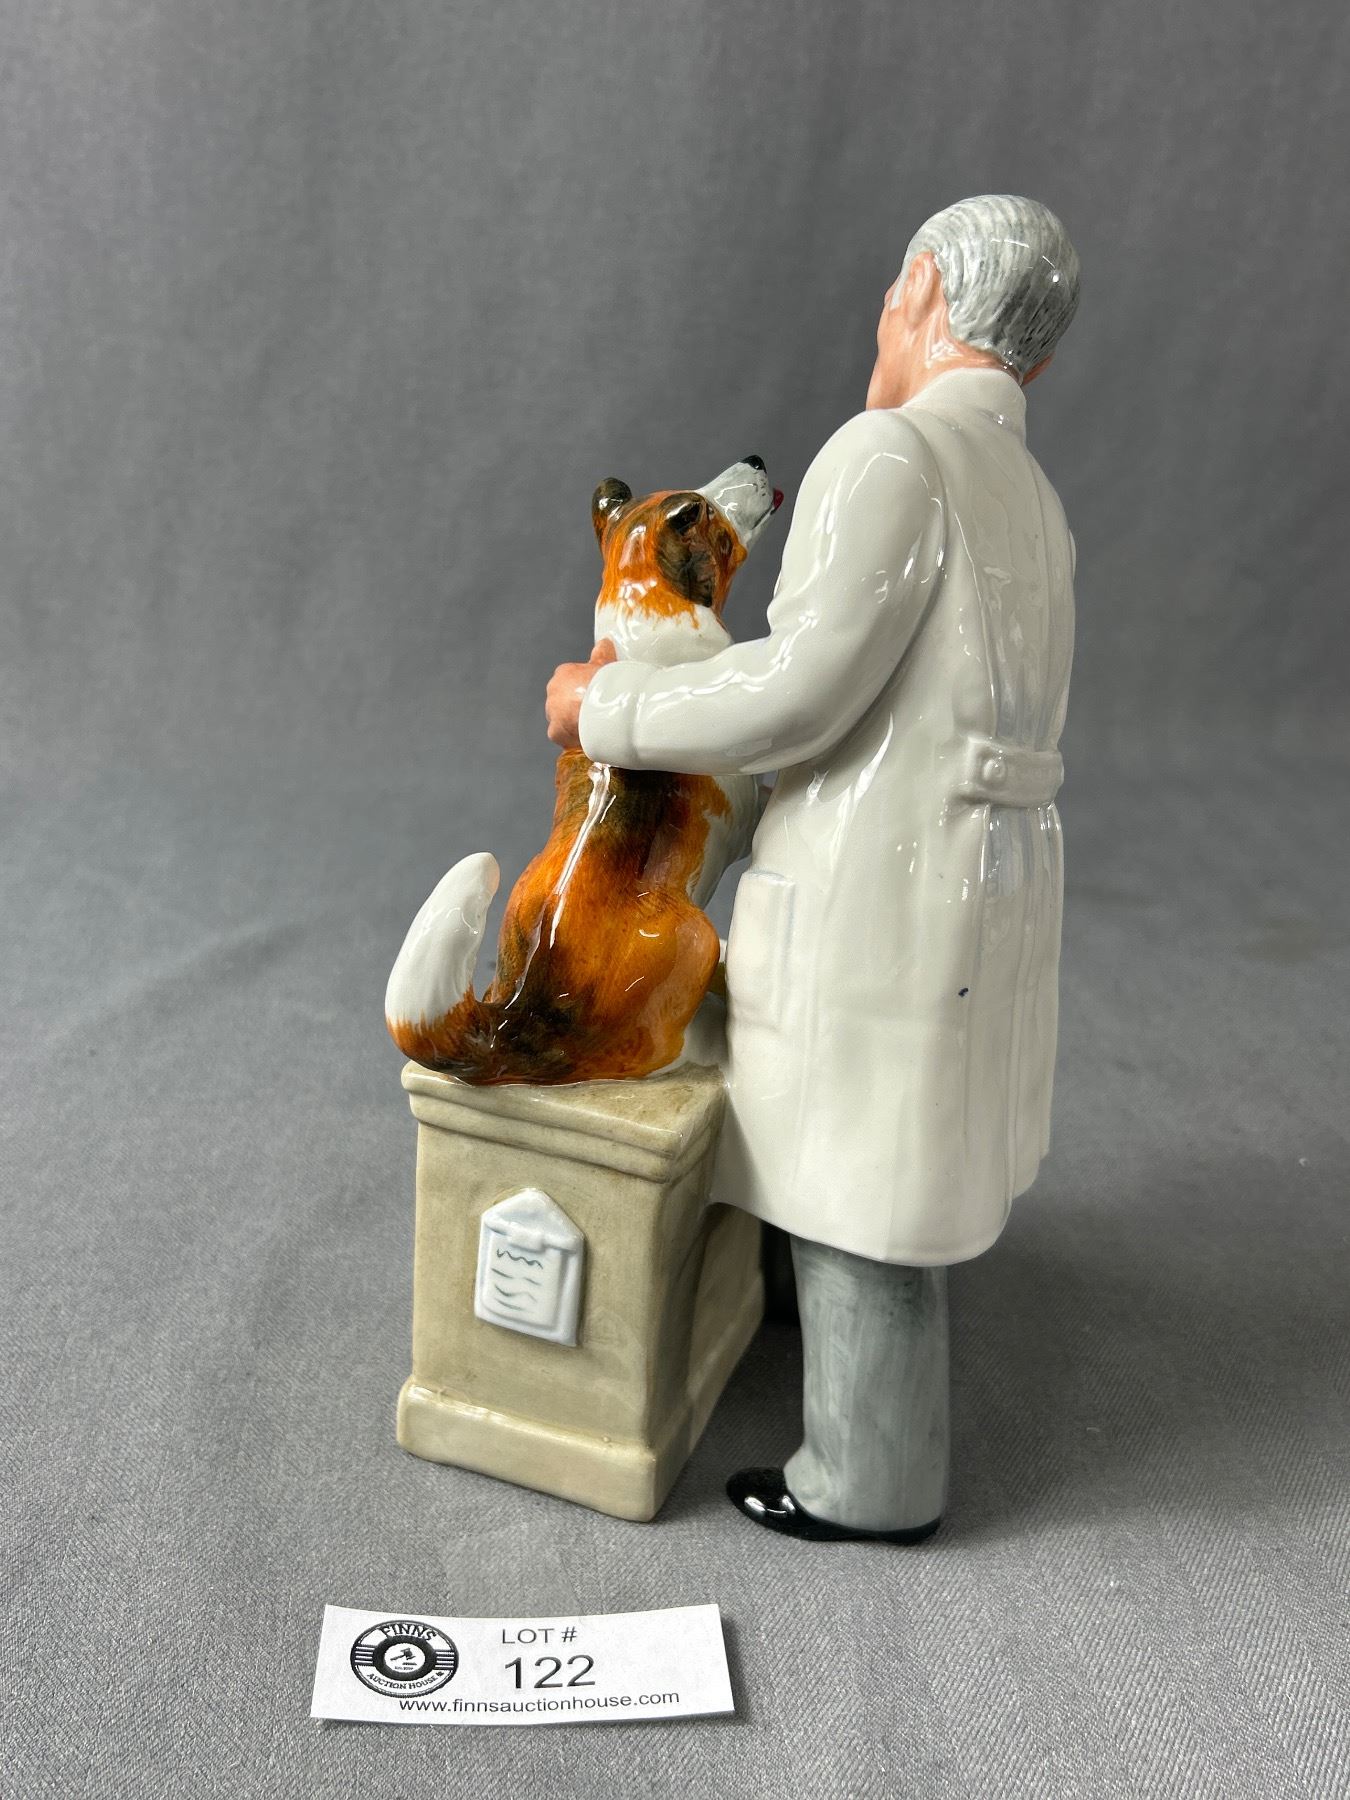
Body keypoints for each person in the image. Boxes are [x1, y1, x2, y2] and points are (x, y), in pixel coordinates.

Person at [545, 195, 1080, 1543]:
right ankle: (783, 1320)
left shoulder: (890, 454)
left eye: (891, 295)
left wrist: (606, 710)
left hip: (882, 878)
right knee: (897, 1132)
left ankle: (868, 1478)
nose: (881, 319)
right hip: (991, 872)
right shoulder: (1031, 497)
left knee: (861, 1180)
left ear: (923, 292)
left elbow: (798, 694)